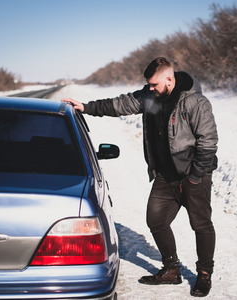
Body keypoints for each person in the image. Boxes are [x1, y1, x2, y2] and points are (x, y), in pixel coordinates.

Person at [62, 57, 218, 297]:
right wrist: (87, 107)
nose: (151, 89)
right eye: (149, 85)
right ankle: (171, 269)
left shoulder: (195, 102)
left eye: (155, 84)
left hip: (192, 175)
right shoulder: (150, 96)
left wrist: (196, 177)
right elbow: (120, 105)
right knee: (156, 220)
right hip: (165, 175)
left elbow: (208, 143)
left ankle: (204, 274)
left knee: (201, 224)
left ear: (169, 78)